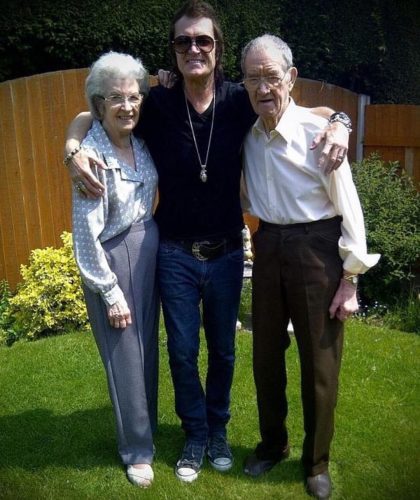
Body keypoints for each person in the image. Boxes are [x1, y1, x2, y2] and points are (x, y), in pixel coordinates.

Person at [64, 1, 351, 483]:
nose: (193, 48)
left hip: (226, 250)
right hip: (173, 250)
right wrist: (72, 148)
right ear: (173, 51)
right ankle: (194, 433)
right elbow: (89, 113)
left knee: (222, 350)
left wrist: (341, 121)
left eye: (204, 41)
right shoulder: (155, 103)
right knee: (180, 350)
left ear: (217, 49)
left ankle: (218, 430)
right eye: (184, 41)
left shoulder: (241, 99)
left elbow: (312, 110)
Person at [240, 35, 380, 499]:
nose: (263, 87)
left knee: (319, 364)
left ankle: (316, 462)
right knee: (265, 359)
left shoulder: (318, 133)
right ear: (244, 84)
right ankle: (271, 445)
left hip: (316, 249)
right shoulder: (248, 132)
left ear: (291, 79)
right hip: (268, 248)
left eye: (272, 77)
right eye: (253, 78)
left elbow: (349, 208)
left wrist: (350, 279)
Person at [71, 52, 159, 488]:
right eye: (116, 99)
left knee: (146, 350)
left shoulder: (139, 144)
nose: (127, 106)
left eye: (133, 96)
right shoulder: (90, 156)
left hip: (147, 247)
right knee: (124, 357)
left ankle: (149, 428)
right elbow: (85, 236)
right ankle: (136, 450)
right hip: (112, 257)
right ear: (99, 105)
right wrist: (109, 290)